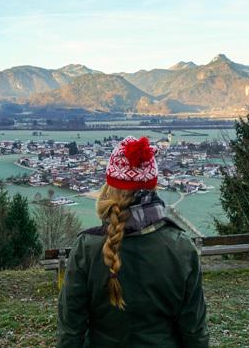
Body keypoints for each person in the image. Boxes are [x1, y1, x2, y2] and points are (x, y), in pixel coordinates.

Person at [58, 136, 209, 347]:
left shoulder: (86, 248)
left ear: (109, 188)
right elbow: (194, 331)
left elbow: (71, 330)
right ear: (153, 187)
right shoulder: (181, 247)